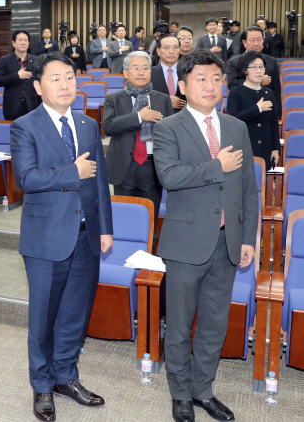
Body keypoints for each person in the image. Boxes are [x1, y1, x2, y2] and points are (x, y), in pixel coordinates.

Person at [152, 49, 258, 422]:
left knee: (214, 323)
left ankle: (203, 391)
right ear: (183, 86)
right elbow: (170, 177)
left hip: (228, 242)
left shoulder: (236, 127)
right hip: (185, 244)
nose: (210, 85)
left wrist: (248, 238)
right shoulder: (167, 127)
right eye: (200, 79)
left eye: (215, 78)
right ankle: (180, 393)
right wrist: (216, 166)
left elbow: (248, 188)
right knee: (180, 325)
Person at [10, 52, 113, 422]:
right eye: (55, 78)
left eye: (69, 77)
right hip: (45, 240)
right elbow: (27, 179)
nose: (65, 84)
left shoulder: (87, 124)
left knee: (74, 315)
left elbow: (99, 180)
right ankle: (41, 385)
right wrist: (72, 171)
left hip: (86, 237)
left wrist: (106, 229)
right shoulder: (25, 126)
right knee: (43, 318)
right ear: (38, 87)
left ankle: (65, 377)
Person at [103, 51, 173, 247]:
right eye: (136, 68)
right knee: (123, 219)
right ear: (125, 72)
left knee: (150, 219)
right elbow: (108, 126)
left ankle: (148, 266)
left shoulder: (163, 99)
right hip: (124, 168)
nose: (141, 72)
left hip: (152, 167)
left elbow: (170, 135)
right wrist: (139, 117)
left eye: (145, 68)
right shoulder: (114, 98)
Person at [227, 51, 280, 167]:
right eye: (254, 67)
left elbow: (273, 123)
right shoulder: (236, 92)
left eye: (261, 67)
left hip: (265, 148)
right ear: (245, 70)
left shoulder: (268, 93)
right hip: (243, 147)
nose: (259, 71)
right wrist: (257, 109)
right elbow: (233, 119)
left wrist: (275, 149)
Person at [227, 27, 282, 117]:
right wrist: (259, 81)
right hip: (244, 109)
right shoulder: (234, 62)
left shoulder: (271, 61)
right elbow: (232, 84)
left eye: (259, 40)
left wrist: (277, 113)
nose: (256, 43)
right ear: (244, 43)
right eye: (252, 40)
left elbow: (276, 89)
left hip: (266, 110)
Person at [0, 30, 40, 121]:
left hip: (32, 105)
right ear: (13, 43)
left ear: (28, 43)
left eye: (25, 40)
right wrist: (17, 76)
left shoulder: (36, 60)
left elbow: (40, 81)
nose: (23, 42)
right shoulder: (5, 60)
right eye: (20, 40)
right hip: (12, 106)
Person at [151, 34, 187, 112]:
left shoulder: (188, 72)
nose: (171, 51)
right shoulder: (150, 74)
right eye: (166, 48)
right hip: (158, 119)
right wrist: (165, 101)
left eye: (175, 47)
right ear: (158, 51)